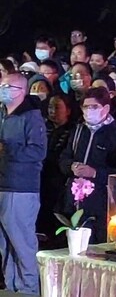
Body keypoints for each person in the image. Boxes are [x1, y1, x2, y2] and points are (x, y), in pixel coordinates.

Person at [58, 87, 116, 243]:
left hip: (101, 202)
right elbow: (63, 157)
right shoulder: (78, 129)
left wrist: (96, 173)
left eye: (94, 107)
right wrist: (71, 167)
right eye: (86, 106)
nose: (89, 110)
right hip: (74, 201)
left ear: (106, 108)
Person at [0, 73, 47, 295]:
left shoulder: (31, 116)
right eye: (2, 86)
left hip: (21, 187)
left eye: (8, 87)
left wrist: (7, 150)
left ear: (22, 91)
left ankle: (29, 289)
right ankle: (11, 287)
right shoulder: (2, 114)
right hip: (2, 183)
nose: (3, 90)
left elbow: (38, 151)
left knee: (22, 243)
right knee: (4, 245)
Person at [37, 94, 74, 248]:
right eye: (51, 107)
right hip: (40, 179)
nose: (53, 111)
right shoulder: (42, 127)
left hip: (59, 182)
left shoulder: (73, 130)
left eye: (57, 107)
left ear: (68, 110)